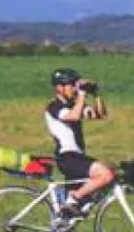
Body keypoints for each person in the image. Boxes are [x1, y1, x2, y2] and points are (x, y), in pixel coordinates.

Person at [45, 68, 113, 220]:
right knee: (106, 174)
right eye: (71, 85)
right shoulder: (54, 107)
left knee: (72, 212)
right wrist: (82, 94)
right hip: (67, 157)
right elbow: (74, 116)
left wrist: (96, 95)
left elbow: (100, 114)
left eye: (76, 84)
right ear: (59, 88)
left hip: (76, 157)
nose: (75, 88)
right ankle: (74, 197)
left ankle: (63, 231)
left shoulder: (74, 104)